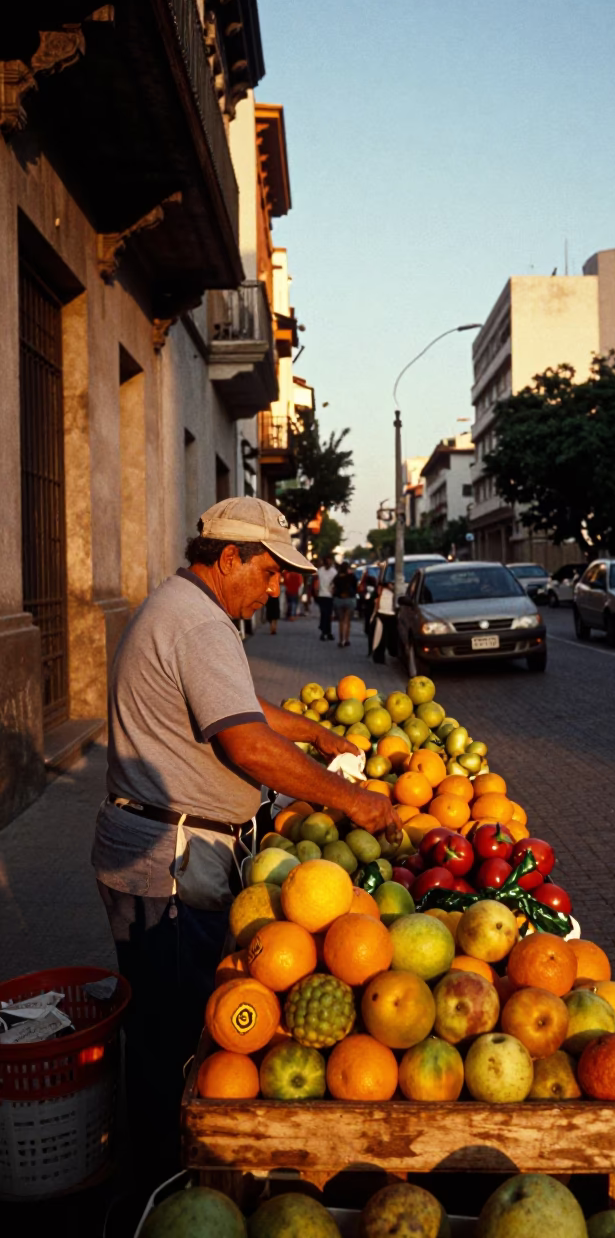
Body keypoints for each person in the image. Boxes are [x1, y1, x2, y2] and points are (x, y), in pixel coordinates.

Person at [91, 498, 398, 1198]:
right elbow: (245, 741)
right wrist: (348, 797)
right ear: (228, 559)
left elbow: (244, 707)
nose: (277, 586)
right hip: (167, 860)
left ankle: (165, 1176)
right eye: (268, 571)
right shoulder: (200, 622)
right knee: (174, 1045)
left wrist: (316, 736)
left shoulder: (186, 608)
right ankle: (165, 1192)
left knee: (168, 1033)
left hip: (155, 845)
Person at [332, 561, 358, 648]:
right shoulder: (351, 577)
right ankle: (346, 640)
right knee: (347, 621)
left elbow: (334, 588)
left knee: (341, 621)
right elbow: (356, 587)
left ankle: (340, 640)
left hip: (339, 600)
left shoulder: (337, 577)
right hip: (350, 599)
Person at [316, 554, 337, 641]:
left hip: (328, 596)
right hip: (323, 595)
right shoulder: (321, 571)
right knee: (325, 614)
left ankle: (326, 631)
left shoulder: (333, 571)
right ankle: (326, 632)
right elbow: (317, 583)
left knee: (326, 614)